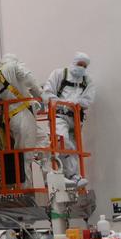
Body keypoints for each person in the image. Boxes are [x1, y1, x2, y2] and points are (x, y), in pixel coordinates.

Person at [0, 53, 48, 188]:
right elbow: (28, 77)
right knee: (24, 156)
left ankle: (49, 179)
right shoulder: (13, 66)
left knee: (43, 141)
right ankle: (25, 191)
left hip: (11, 118)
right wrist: (42, 95)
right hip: (22, 115)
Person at [43, 52, 98, 184]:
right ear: (73, 62)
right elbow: (47, 94)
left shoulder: (87, 81)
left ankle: (73, 176)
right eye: (80, 64)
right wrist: (63, 104)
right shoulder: (58, 74)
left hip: (76, 119)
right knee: (63, 140)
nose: (82, 68)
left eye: (85, 66)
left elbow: (88, 99)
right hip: (59, 115)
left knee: (73, 146)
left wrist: (76, 104)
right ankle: (67, 174)